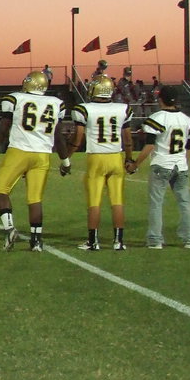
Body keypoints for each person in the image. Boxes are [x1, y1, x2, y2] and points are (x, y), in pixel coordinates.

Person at [0, 71, 70, 252]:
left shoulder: (15, 99)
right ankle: (36, 241)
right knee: (35, 198)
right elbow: (58, 137)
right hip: (42, 155)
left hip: (19, 151)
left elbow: (2, 129)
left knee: (1, 190)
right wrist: (66, 162)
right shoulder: (56, 103)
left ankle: (9, 229)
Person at [68, 75, 133, 251]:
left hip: (96, 157)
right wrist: (129, 158)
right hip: (116, 157)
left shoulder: (84, 109)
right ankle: (118, 241)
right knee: (117, 201)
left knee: (94, 202)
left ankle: (93, 241)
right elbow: (128, 139)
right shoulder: (122, 109)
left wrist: (67, 156)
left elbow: (78, 137)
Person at [131, 85, 190, 249]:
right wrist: (183, 163)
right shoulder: (187, 120)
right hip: (180, 165)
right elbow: (189, 147)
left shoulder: (157, 118)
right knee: (185, 203)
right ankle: (189, 239)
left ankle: (155, 240)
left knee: (156, 203)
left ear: (160, 99)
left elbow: (149, 145)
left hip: (161, 164)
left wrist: (135, 163)